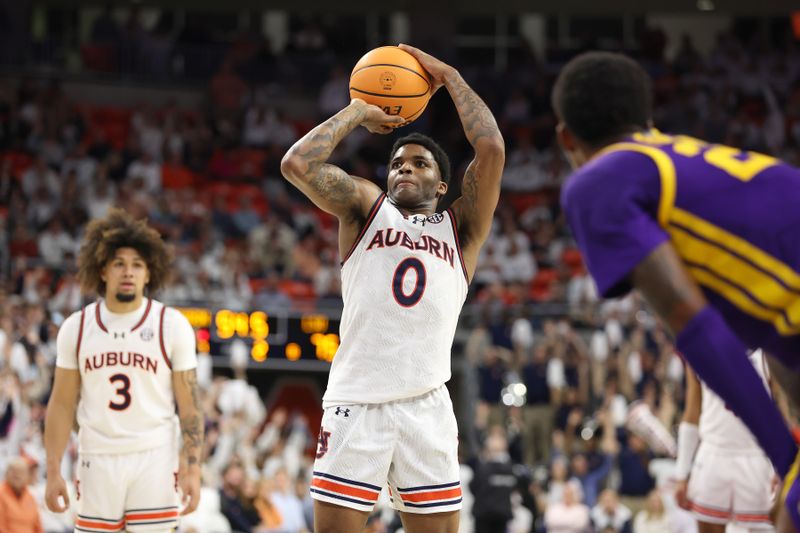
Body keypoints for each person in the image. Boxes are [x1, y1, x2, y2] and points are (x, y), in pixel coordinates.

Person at [552, 51, 800, 531]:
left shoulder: (598, 182)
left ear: (566, 137)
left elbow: (692, 320)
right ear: (648, 121)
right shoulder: (695, 161)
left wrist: (786, 459)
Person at [280, 43, 505, 533]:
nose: (405, 167)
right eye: (398, 162)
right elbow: (297, 166)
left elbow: (490, 149)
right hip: (357, 400)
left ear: (443, 185)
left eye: (421, 163)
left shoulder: (461, 229)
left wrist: (449, 78)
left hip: (426, 403)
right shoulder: (366, 207)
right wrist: (358, 110)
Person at [43, 208, 203, 531]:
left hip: (155, 457)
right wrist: (52, 470)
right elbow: (60, 404)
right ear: (102, 270)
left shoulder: (172, 326)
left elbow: (190, 406)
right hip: (97, 458)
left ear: (149, 273)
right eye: (119, 264)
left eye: (137, 265)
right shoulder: (77, 327)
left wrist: (193, 467)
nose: (128, 272)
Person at [674, 349, 778, 531]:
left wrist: (781, 466)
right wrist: (681, 473)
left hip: (756, 455)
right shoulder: (697, 346)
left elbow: (782, 416)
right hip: (713, 453)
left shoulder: (768, 350)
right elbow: (692, 413)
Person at [0, 457, 44, 533]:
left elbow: (37, 526)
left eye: (21, 472)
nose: (17, 475)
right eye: (13, 471)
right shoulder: (1, 494)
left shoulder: (30, 498)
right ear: (6, 474)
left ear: (27, 476)